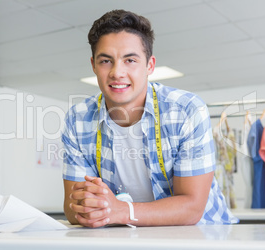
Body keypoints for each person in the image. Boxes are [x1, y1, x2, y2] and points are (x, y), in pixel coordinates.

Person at [62, 9, 238, 228]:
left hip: (202, 235)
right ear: (93, 66)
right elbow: (72, 208)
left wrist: (120, 210)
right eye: (106, 61)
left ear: (150, 66)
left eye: (130, 60)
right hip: (129, 235)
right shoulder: (77, 120)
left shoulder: (186, 111)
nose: (117, 72)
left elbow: (191, 208)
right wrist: (88, 208)